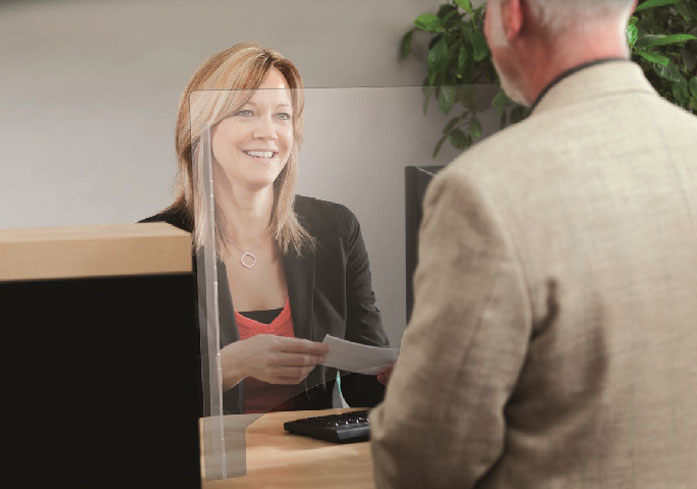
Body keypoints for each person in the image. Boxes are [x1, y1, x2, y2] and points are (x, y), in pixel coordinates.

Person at [370, 0, 697, 487]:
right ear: (628, 8)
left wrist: (414, 395)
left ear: (512, 14)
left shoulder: (482, 192)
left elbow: (424, 460)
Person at [143, 42, 390, 414]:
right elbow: (139, 397)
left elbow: (365, 392)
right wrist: (231, 365)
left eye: (282, 116)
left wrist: (398, 375)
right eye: (246, 112)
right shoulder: (156, 245)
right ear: (203, 129)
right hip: (202, 465)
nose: (268, 132)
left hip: (311, 460)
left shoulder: (335, 230)